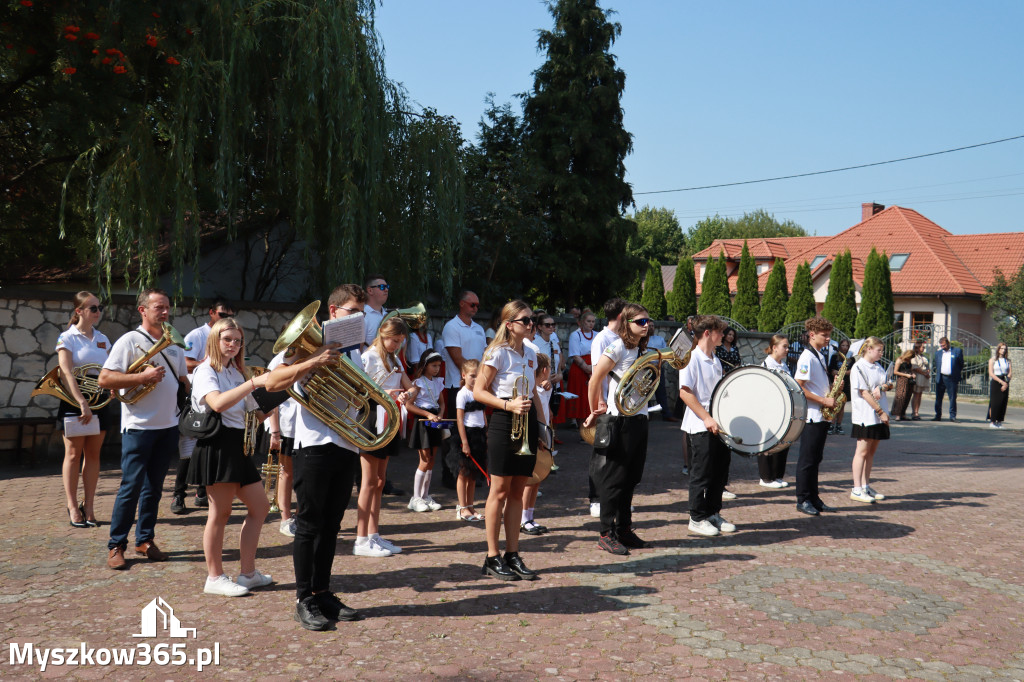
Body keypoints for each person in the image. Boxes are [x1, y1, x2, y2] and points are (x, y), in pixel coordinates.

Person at [264, 284, 368, 630]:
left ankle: (323, 591)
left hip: (346, 443)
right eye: (353, 311)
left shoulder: (354, 351)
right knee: (309, 525)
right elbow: (272, 381)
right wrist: (314, 359)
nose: (359, 317)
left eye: (361, 312)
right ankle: (304, 597)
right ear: (334, 311)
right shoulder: (304, 344)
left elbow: (357, 396)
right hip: (314, 444)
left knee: (332, 525)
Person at [99, 289, 189, 570]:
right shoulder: (129, 340)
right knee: (131, 488)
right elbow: (105, 378)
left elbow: (183, 378)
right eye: (158, 307)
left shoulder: (174, 343)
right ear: (143, 310)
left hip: (168, 425)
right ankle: (116, 545)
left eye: (167, 307)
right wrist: (142, 376)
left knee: (154, 489)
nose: (164, 312)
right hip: (138, 427)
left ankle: (145, 539)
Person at [186, 318, 274, 596]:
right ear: (215, 340)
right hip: (217, 445)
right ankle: (214, 577)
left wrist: (281, 395)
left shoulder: (235, 373)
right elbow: (218, 403)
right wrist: (252, 383)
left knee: (260, 508)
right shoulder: (205, 371)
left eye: (237, 341)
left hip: (238, 445)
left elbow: (254, 414)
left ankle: (248, 573)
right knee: (220, 513)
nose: (233, 345)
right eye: (228, 340)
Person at [474, 300, 541, 581]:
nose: (530, 324)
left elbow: (534, 393)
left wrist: (546, 425)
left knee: (518, 492)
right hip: (504, 422)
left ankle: (513, 554)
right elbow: (478, 391)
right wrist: (507, 405)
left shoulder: (532, 354)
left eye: (532, 320)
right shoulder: (497, 353)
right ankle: (492, 556)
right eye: (525, 320)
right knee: (499, 491)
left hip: (527, 423)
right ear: (509, 324)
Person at [586, 303, 654, 554]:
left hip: (639, 418)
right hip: (619, 419)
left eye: (648, 321)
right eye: (641, 322)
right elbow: (595, 379)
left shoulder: (640, 348)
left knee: (631, 478)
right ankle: (606, 533)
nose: (646, 325)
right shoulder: (617, 347)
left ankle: (624, 530)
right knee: (614, 479)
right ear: (627, 323)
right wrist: (595, 410)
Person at [355, 317, 416, 556]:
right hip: (371, 419)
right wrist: (384, 392)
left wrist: (407, 393)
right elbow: (359, 391)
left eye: (400, 341)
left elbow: (410, 386)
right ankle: (360, 539)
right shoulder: (368, 357)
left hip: (389, 419)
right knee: (368, 482)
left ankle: (373, 534)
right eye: (393, 340)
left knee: (380, 482)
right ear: (382, 334)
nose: (396, 345)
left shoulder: (394, 360)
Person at [55, 291, 114, 528]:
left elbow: (110, 368)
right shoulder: (67, 338)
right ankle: (72, 505)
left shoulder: (102, 338)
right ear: (79, 311)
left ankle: (88, 505)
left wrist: (112, 386)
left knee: (93, 455)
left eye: (99, 308)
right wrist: (80, 401)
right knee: (73, 454)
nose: (98, 312)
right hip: (74, 398)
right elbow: (66, 372)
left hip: (99, 399)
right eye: (93, 308)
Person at [172, 298, 235, 514]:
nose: (227, 319)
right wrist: (208, 364)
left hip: (215, 396)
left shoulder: (230, 340)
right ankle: (178, 495)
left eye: (230, 316)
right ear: (211, 313)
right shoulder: (197, 335)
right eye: (222, 315)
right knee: (188, 450)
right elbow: (186, 362)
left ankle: (201, 492)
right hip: (197, 396)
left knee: (207, 445)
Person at [678, 314, 736, 537]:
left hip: (718, 425)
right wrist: (706, 418)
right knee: (701, 474)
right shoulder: (690, 359)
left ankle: (712, 513)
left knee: (719, 473)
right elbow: (685, 392)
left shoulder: (716, 359)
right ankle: (696, 517)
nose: (724, 335)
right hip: (700, 426)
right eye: (720, 332)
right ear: (707, 333)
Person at [793, 316, 839, 517]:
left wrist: (832, 388)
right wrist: (824, 401)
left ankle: (814, 497)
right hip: (812, 415)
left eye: (829, 335)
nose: (828, 338)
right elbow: (799, 388)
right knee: (807, 460)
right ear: (812, 335)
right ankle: (803, 499)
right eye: (824, 335)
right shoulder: (806, 357)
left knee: (816, 459)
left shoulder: (819, 355)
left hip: (821, 416)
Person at [441, 290, 487, 488]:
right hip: (457, 386)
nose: (476, 308)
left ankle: (472, 472)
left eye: (477, 305)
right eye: (472, 305)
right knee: (456, 433)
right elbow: (457, 357)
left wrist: (483, 380)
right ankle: (452, 474)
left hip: (476, 385)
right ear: (462, 304)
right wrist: (473, 380)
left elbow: (484, 356)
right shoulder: (451, 327)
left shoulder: (478, 328)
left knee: (475, 430)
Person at [849, 337, 892, 503]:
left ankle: (866, 485)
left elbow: (888, 383)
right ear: (868, 349)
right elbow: (864, 393)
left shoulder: (878, 366)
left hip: (878, 416)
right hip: (866, 415)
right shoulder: (859, 367)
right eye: (878, 350)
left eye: (882, 350)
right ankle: (857, 488)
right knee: (862, 451)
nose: (881, 353)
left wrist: (882, 387)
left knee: (871, 452)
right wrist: (880, 411)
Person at [405, 350, 446, 512]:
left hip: (434, 422)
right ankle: (415, 498)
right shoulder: (417, 383)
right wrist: (428, 414)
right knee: (424, 460)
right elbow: (409, 405)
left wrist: (440, 414)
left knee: (431, 460)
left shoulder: (438, 382)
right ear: (425, 365)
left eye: (439, 366)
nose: (437, 369)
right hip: (423, 422)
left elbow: (441, 403)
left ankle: (425, 496)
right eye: (433, 365)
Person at [520, 352, 553, 536]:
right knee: (530, 481)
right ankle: (524, 519)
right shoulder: (533, 390)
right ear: (545, 370)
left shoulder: (544, 388)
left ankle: (530, 516)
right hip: (535, 435)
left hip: (543, 435)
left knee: (537, 479)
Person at [265, 353, 298, 537]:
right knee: (286, 472)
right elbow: (272, 398)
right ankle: (286, 518)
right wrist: (275, 431)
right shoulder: (279, 360)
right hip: (286, 425)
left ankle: (300, 516)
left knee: (303, 474)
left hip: (304, 426)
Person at [451, 359, 487, 522]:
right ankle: (462, 507)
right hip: (467, 434)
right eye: (472, 376)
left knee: (473, 474)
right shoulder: (462, 394)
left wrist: (486, 431)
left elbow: (483, 414)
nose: (475, 379)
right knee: (463, 473)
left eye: (478, 376)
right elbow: (459, 419)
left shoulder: (480, 392)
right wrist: (464, 442)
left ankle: (471, 506)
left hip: (479, 434)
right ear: (464, 375)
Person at [759, 334, 791, 489]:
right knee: (768, 443)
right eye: (784, 346)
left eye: (787, 346)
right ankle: (765, 478)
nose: (787, 349)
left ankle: (777, 476)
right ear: (774, 347)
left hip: (783, 410)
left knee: (782, 442)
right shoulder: (766, 365)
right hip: (769, 410)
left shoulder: (784, 365)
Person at [714, 326, 742, 500]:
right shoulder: (716, 352)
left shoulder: (735, 349)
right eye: (727, 334)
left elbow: (738, 361)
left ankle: (721, 485)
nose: (730, 337)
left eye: (732, 335)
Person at [565, 309, 597, 424]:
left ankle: (592, 427)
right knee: (581, 400)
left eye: (593, 321)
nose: (591, 324)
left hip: (594, 368)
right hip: (580, 369)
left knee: (592, 399)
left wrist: (593, 369)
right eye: (588, 321)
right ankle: (581, 428)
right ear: (582, 322)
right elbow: (575, 355)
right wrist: (587, 368)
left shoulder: (597, 335)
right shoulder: (575, 335)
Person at [932, 337, 964, 422]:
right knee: (938, 397)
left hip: (952, 378)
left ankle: (952, 416)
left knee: (952, 397)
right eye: (941, 346)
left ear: (948, 343)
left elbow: (961, 364)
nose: (943, 347)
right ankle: (938, 415)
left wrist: (955, 372)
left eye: (944, 345)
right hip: (941, 377)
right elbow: (937, 364)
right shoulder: (938, 353)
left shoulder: (957, 351)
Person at [828, 338, 853, 435]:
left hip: (846, 384)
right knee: (834, 404)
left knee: (842, 406)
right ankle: (831, 424)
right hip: (836, 383)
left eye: (847, 346)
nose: (845, 348)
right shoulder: (835, 356)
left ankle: (839, 425)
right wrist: (839, 373)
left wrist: (844, 373)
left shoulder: (851, 358)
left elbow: (852, 371)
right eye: (843, 345)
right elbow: (831, 370)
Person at [988, 342, 1012, 428]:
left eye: (1005, 349)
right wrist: (1001, 382)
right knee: (995, 402)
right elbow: (991, 373)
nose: (1003, 350)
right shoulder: (993, 360)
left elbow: (1009, 373)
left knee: (1003, 402)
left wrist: (1006, 383)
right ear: (998, 349)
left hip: (1005, 381)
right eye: (1002, 348)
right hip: (996, 382)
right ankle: (992, 421)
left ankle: (999, 421)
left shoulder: (1008, 361)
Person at [362, 274, 389, 348]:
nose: (386, 289)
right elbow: (358, 350)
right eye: (382, 287)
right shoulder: (362, 315)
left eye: (387, 287)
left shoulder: (388, 315)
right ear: (370, 290)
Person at [890, 347, 916, 421]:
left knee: (907, 397)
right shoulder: (900, 360)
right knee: (901, 396)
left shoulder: (909, 361)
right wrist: (905, 375)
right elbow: (895, 372)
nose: (910, 359)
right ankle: (897, 414)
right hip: (902, 380)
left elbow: (910, 370)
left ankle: (903, 414)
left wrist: (913, 374)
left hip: (909, 380)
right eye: (910, 357)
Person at [910, 340, 930, 420]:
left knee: (920, 395)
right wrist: (924, 373)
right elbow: (915, 367)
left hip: (924, 377)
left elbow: (927, 366)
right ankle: (914, 412)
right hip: (918, 377)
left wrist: (928, 371)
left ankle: (917, 411)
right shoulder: (913, 356)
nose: (923, 349)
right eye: (922, 347)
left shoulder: (923, 356)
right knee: (916, 394)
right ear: (917, 347)